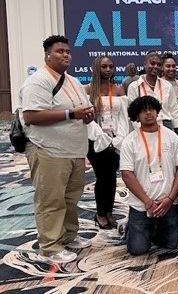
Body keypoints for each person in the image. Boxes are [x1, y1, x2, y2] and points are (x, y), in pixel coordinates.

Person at [20, 35, 94, 264]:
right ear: (47, 55)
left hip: (74, 150)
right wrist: (71, 114)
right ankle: (50, 247)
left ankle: (69, 236)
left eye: (68, 51)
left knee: (71, 198)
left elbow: (81, 108)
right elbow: (31, 116)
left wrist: (87, 115)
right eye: (60, 51)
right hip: (48, 150)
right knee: (51, 200)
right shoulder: (38, 81)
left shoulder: (71, 80)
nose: (65, 55)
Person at [120, 96, 178, 256]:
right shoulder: (130, 141)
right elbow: (127, 175)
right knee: (138, 249)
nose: (148, 113)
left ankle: (151, 228)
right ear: (136, 117)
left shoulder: (171, 136)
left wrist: (170, 199)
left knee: (173, 243)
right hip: (142, 204)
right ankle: (132, 226)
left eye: (151, 109)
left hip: (168, 202)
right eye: (143, 111)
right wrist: (148, 203)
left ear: (158, 112)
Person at [85, 56, 129, 229]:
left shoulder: (118, 90)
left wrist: (119, 139)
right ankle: (100, 213)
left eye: (111, 66)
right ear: (96, 68)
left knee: (111, 177)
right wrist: (102, 138)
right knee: (102, 176)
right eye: (104, 66)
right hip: (95, 139)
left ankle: (109, 211)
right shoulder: (87, 91)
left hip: (116, 140)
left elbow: (124, 118)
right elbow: (87, 119)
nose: (108, 69)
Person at [127, 51, 178, 132]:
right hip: (144, 126)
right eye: (152, 63)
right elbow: (132, 112)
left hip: (166, 125)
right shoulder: (134, 86)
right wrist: (140, 129)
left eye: (159, 64)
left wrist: (177, 130)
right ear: (145, 64)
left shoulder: (166, 85)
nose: (156, 66)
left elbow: (174, 110)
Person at [161, 53, 178, 118]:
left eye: (173, 66)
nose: (171, 69)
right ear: (162, 68)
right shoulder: (157, 85)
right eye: (168, 66)